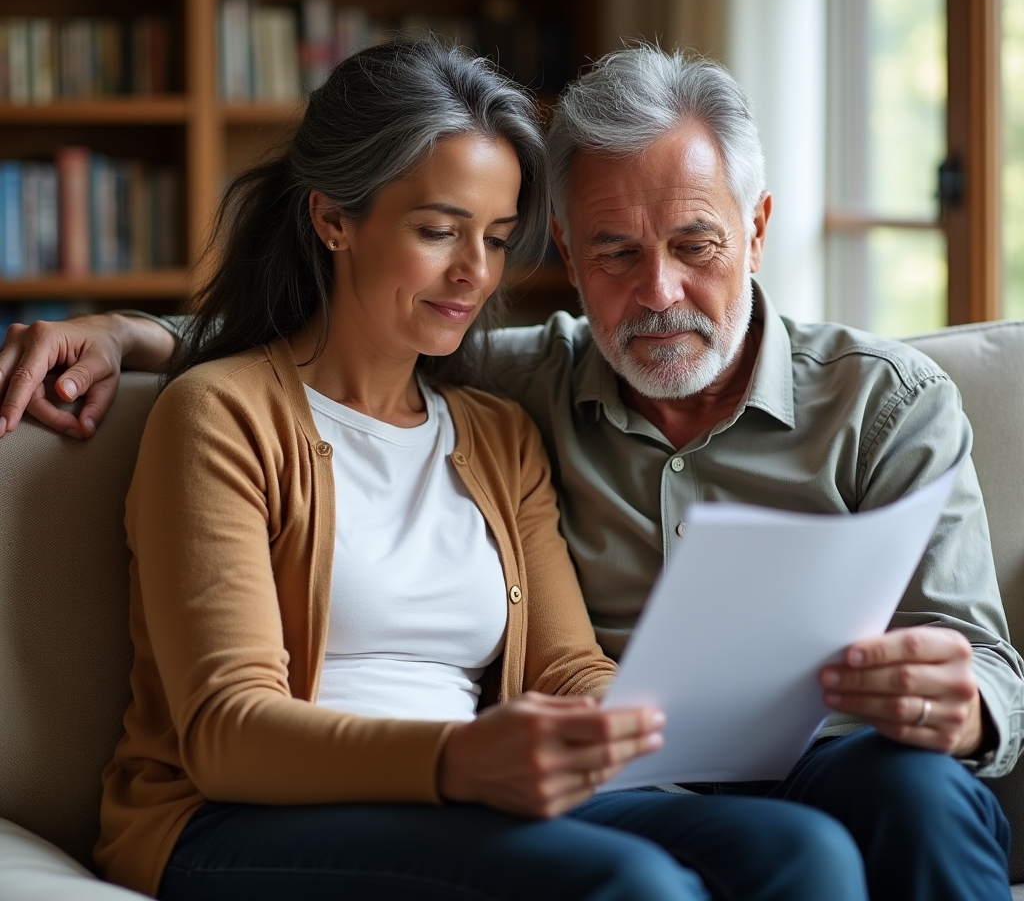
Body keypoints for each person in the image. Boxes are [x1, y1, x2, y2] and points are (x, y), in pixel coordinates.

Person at [0, 44, 1015, 900]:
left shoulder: (490, 423)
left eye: (490, 240)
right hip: (254, 806)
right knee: (643, 885)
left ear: (752, 231)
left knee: (808, 846)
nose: (473, 277)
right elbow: (223, 728)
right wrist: (129, 332)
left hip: (549, 777)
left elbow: (571, 662)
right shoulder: (229, 410)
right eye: (440, 231)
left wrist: (648, 718)